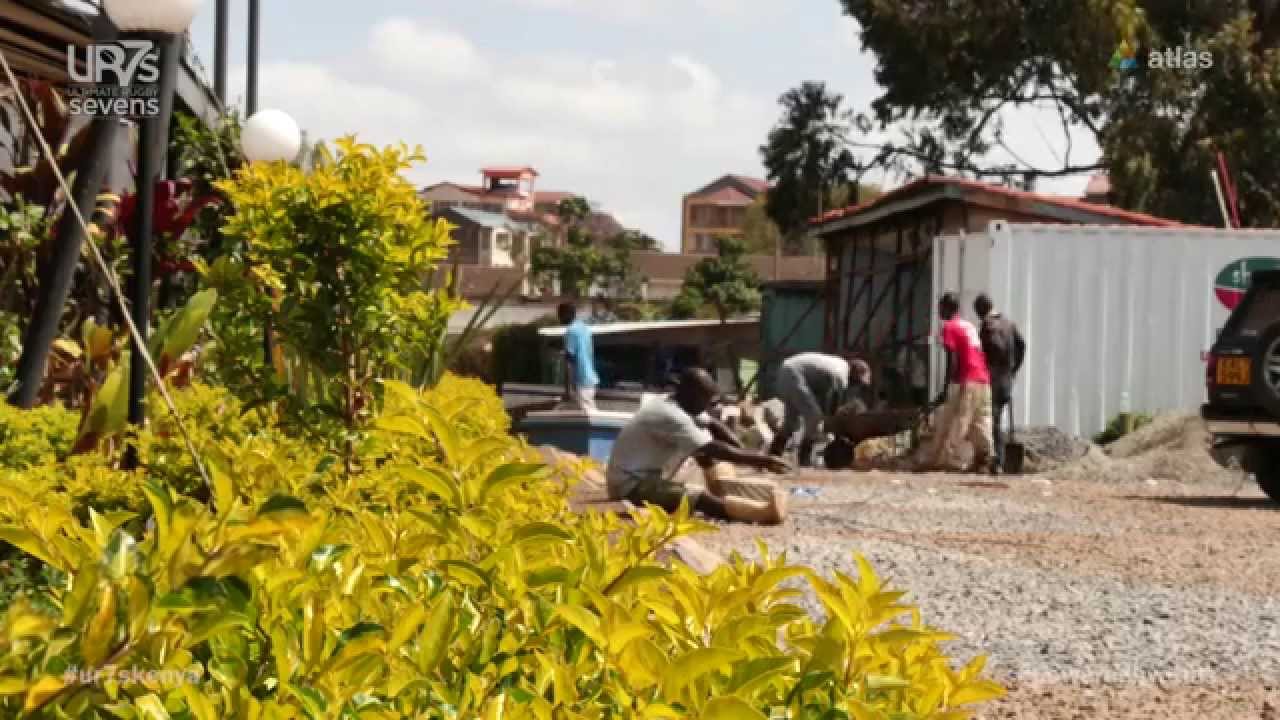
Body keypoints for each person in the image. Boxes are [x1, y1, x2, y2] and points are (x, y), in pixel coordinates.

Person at [606, 368, 791, 523]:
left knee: (701, 450)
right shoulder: (671, 415)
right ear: (691, 395)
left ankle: (721, 488)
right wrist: (762, 460)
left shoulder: (678, 402)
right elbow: (712, 447)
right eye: (705, 400)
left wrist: (739, 446)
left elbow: (713, 424)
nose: (707, 405)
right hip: (630, 485)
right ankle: (764, 513)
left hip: (645, 475)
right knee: (698, 497)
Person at [923, 293, 995, 472]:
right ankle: (986, 458)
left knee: (958, 420)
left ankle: (953, 461)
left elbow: (952, 358)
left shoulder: (949, 326)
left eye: (940, 307)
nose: (938, 311)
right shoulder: (968, 325)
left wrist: (947, 386)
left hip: (967, 379)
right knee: (981, 421)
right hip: (984, 380)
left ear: (947, 308)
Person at [767, 353, 873, 467]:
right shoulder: (841, 374)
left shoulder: (838, 365)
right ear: (854, 374)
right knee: (814, 416)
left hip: (786, 370)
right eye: (857, 382)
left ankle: (773, 455)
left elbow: (824, 398)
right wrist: (834, 428)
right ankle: (804, 458)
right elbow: (833, 405)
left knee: (791, 421)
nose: (856, 386)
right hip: (794, 374)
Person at [975, 293, 1027, 474]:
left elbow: (990, 349)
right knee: (997, 419)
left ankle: (997, 461)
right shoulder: (1009, 323)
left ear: (981, 311)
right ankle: (998, 459)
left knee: (994, 420)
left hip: (994, 379)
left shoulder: (987, 326)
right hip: (1007, 379)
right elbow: (1022, 344)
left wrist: (987, 369)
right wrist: (1014, 368)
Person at [558, 302, 599, 411]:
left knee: (588, 415)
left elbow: (569, 361)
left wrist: (568, 389)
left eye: (560, 315)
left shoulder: (571, 331)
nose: (559, 318)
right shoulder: (584, 329)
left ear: (565, 314)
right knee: (567, 411)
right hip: (589, 378)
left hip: (581, 381)